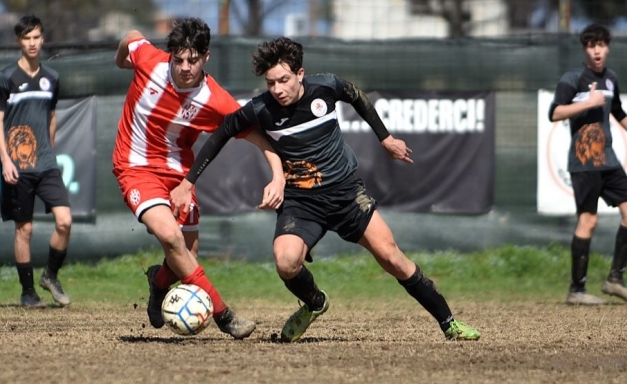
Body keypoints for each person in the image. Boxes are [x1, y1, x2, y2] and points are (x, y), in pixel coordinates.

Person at [170, 36, 482, 343]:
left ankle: (449, 323)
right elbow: (222, 133)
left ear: (300, 74)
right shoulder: (261, 108)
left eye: (284, 80)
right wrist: (187, 183)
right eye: (270, 83)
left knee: (393, 259)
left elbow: (357, 96)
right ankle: (315, 302)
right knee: (285, 262)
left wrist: (385, 138)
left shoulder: (326, 87)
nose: (277, 89)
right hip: (301, 202)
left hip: (346, 194)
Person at [112, 18, 284, 339]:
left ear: (206, 57)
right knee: (171, 238)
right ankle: (224, 316)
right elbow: (132, 36)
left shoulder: (215, 99)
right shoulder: (149, 62)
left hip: (180, 177)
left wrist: (278, 175)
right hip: (135, 168)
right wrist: (121, 61)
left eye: (192, 60)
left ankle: (158, 282)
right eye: (178, 59)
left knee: (187, 258)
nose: (184, 68)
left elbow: (258, 137)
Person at [549, 23, 627, 306]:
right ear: (584, 50)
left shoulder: (611, 79)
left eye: (601, 45)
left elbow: (619, 112)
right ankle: (577, 290)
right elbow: (555, 112)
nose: (596, 51)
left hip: (609, 161)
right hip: (584, 162)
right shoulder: (573, 78)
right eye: (591, 46)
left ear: (608, 47)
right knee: (588, 220)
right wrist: (587, 103)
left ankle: (615, 280)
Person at [0, 15, 72, 308]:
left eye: (36, 37)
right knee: (24, 229)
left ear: (43, 38)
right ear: (19, 41)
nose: (32, 43)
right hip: (17, 166)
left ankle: (50, 275)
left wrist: (50, 150)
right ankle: (28, 292)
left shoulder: (52, 78)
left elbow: (52, 116)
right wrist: (5, 160)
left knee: (65, 221)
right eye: (27, 38)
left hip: (46, 164)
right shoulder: (6, 77)